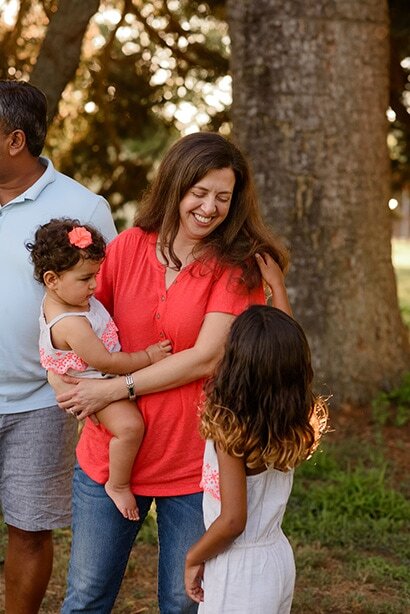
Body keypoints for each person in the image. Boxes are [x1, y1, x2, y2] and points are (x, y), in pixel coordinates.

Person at [53, 131, 291, 613]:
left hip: (189, 462)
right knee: (85, 597)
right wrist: (70, 380)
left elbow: (207, 357)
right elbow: (80, 321)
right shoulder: (125, 249)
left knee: (182, 604)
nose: (209, 208)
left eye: (223, 197)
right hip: (110, 452)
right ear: (175, 187)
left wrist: (118, 386)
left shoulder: (235, 269)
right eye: (199, 193)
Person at [0, 79, 117, 614]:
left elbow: (107, 299)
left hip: (41, 403)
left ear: (14, 140)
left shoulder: (82, 206)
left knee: (28, 528)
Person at [184, 305, 328, 613]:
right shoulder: (289, 423)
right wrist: (277, 286)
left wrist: (193, 557)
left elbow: (233, 521)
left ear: (237, 366)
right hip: (276, 560)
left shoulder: (231, 431)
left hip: (238, 569)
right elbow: (281, 347)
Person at [27, 218, 172, 521]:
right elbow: (107, 361)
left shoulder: (71, 298)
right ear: (52, 279)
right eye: (85, 279)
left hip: (99, 376)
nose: (94, 285)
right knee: (130, 428)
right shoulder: (71, 324)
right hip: (93, 382)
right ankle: (117, 484)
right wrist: (148, 356)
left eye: (96, 275)